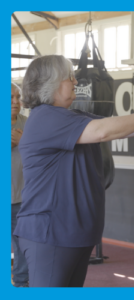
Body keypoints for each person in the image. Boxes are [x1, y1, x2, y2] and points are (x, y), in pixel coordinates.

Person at [13, 55, 134, 288]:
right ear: (52, 83)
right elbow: (102, 132)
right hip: (51, 233)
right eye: (70, 77)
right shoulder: (46, 118)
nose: (75, 82)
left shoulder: (72, 116)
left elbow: (120, 128)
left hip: (75, 233)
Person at [11, 82, 29, 287]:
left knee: (23, 243)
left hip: (22, 198)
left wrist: (24, 142)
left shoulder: (28, 124)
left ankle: (21, 281)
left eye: (18, 96)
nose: (16, 101)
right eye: (10, 98)